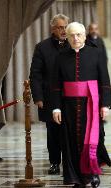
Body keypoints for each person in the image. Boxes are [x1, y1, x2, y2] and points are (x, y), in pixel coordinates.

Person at [52, 22, 111, 188]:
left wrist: (105, 104)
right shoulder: (61, 56)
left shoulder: (96, 53)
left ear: (84, 36)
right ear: (67, 37)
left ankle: (93, 173)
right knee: (71, 142)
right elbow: (56, 85)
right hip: (68, 106)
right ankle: (77, 178)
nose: (75, 38)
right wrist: (56, 107)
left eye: (78, 34)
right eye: (72, 35)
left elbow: (104, 81)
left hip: (91, 104)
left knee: (94, 140)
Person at [29, 14, 70, 175]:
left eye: (66, 26)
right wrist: (38, 97)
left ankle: (69, 162)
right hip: (50, 98)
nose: (64, 30)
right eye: (60, 27)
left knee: (69, 131)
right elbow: (36, 74)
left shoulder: (73, 44)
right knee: (53, 132)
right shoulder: (42, 47)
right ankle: (54, 162)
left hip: (70, 97)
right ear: (53, 29)